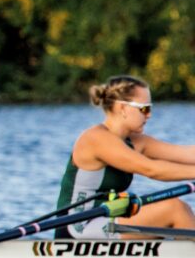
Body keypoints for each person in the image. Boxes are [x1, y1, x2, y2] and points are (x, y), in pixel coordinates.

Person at [56, 74, 195, 238]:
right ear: (122, 108)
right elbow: (152, 170)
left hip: (108, 219)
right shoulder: (95, 139)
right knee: (175, 209)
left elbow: (186, 153)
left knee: (177, 212)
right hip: (79, 226)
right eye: (144, 108)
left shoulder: (136, 142)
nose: (149, 115)